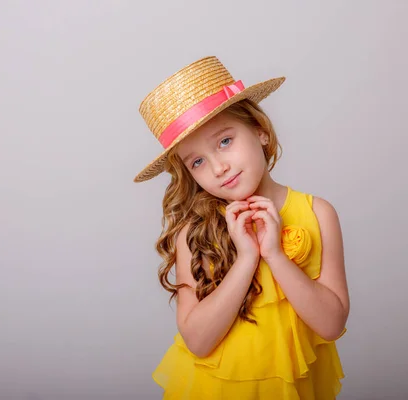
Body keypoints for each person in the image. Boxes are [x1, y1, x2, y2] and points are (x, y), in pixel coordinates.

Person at [134, 56, 350, 399]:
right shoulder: (193, 234)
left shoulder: (318, 213)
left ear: (260, 131)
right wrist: (247, 258)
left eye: (224, 141)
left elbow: (332, 324)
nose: (219, 168)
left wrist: (275, 256)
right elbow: (199, 341)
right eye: (198, 161)